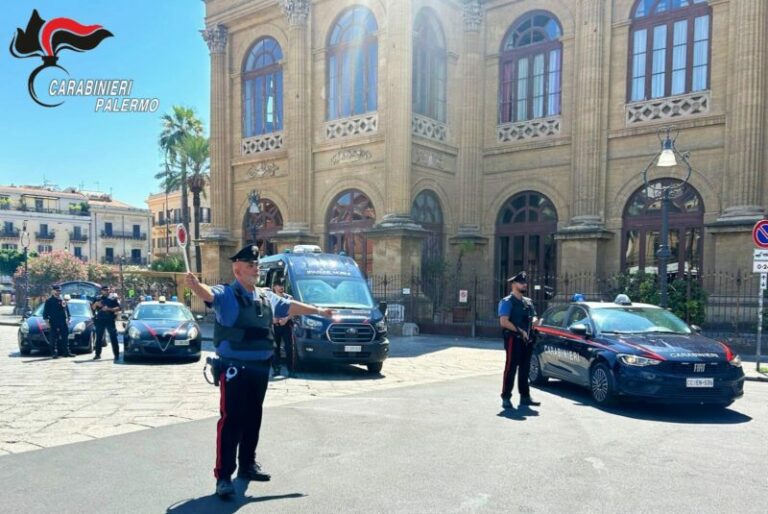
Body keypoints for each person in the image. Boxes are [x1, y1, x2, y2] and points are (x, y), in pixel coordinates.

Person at [185, 244, 334, 499]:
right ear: (237, 268)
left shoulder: (265, 297)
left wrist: (319, 311)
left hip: (260, 369)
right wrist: (195, 285)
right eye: (251, 264)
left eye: (256, 264)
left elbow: (290, 306)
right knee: (231, 421)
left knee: (253, 419)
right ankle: (223, 477)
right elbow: (208, 294)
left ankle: (247, 465)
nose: (256, 268)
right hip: (234, 369)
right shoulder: (226, 294)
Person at [498, 271, 540, 409]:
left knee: (525, 369)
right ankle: (506, 397)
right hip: (513, 339)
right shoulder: (507, 302)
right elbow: (504, 322)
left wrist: (535, 321)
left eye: (525, 282)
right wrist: (519, 330)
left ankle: (525, 397)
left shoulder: (528, 302)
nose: (524, 284)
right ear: (514, 285)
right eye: (521, 282)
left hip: (527, 340)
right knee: (511, 368)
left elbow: (534, 316)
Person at [271, 277, 295, 377]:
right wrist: (272, 319)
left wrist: (286, 318)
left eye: (282, 285)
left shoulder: (288, 298)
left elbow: (293, 311)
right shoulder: (270, 297)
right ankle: (276, 369)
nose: (281, 287)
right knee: (275, 348)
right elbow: (266, 310)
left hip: (286, 325)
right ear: (274, 287)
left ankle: (291, 370)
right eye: (279, 285)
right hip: (275, 326)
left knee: (289, 348)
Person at [92, 285, 121, 362]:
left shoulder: (113, 298)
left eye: (107, 290)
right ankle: (97, 354)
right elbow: (93, 308)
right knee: (98, 338)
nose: (106, 291)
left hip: (110, 320)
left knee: (113, 337)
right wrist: (95, 304)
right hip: (100, 320)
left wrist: (109, 309)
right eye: (104, 290)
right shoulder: (98, 298)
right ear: (101, 291)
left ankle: (116, 355)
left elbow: (118, 308)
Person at [43, 285, 72, 358]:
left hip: (63, 321)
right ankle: (54, 353)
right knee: (53, 338)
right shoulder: (49, 301)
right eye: (56, 291)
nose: (58, 292)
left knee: (65, 337)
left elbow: (66, 310)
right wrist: (47, 322)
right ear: (52, 291)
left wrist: (69, 318)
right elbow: (45, 313)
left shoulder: (62, 300)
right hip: (53, 321)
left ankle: (66, 352)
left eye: (59, 291)